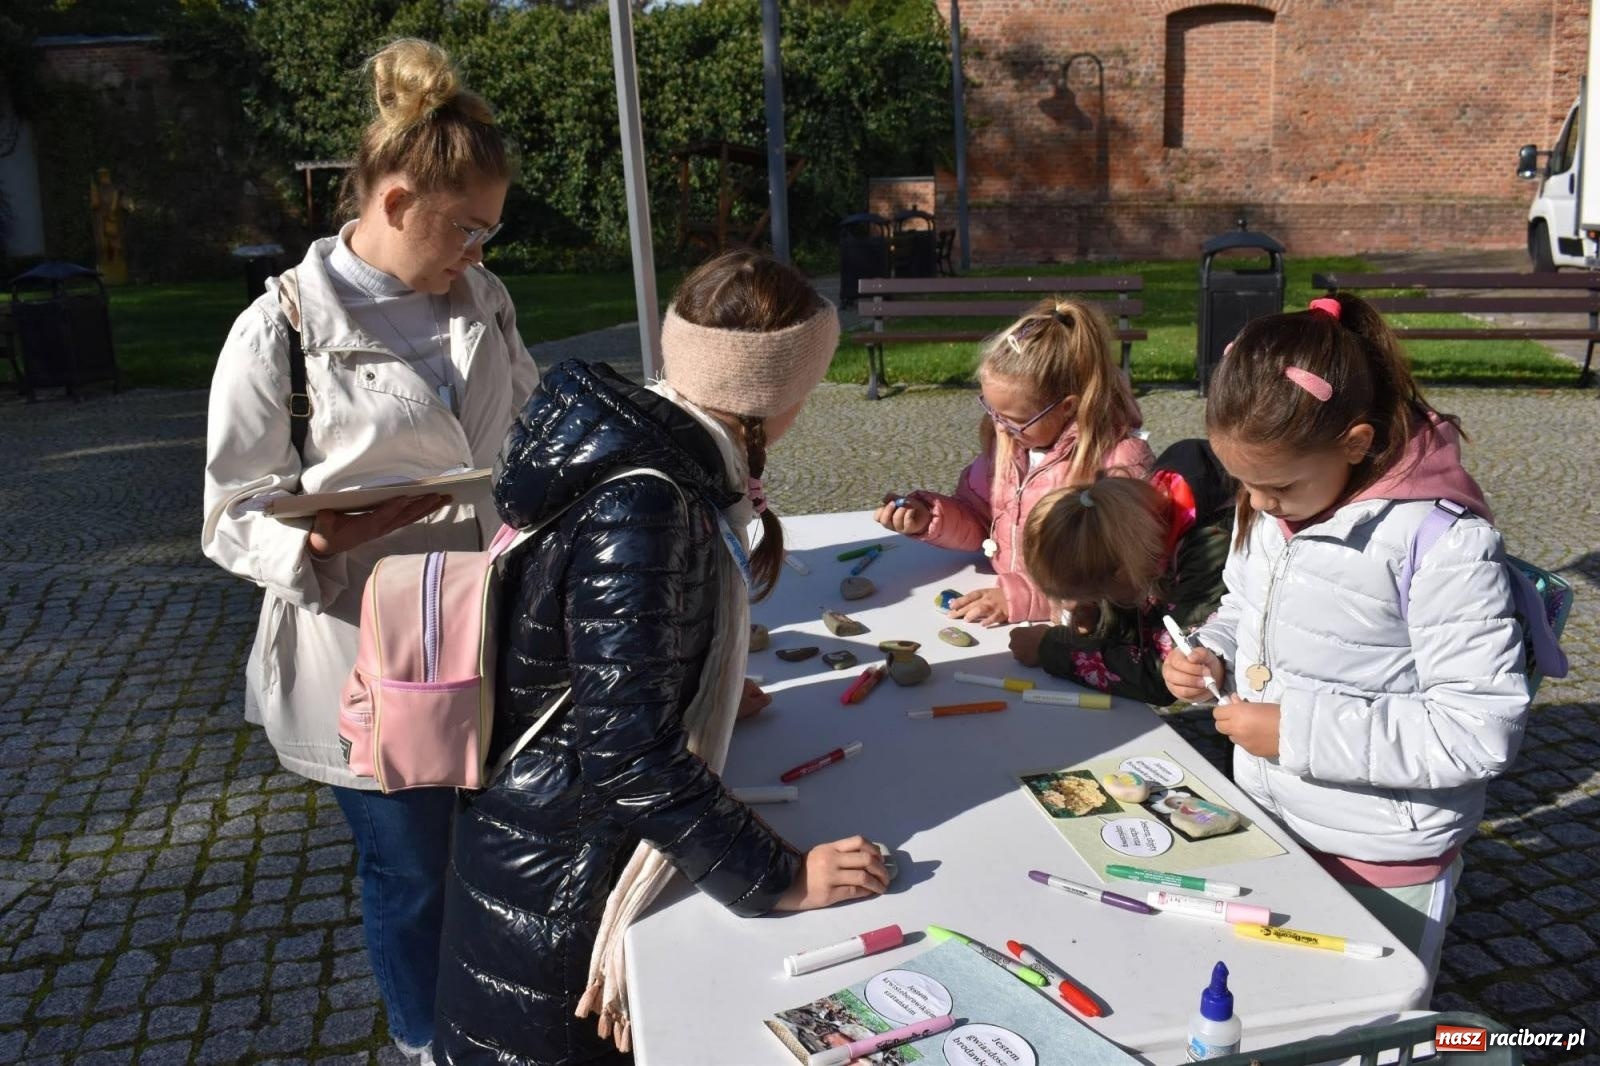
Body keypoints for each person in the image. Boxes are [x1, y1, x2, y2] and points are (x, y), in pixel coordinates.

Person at [435, 251, 891, 1065]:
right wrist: (781, 877)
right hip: (561, 883)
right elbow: (630, 756)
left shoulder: (652, 453)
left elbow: (611, 676)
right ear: (774, 390)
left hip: (548, 839)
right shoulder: (648, 502)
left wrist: (686, 685)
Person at [200, 39, 537, 1063]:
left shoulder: (483, 300)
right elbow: (224, 514)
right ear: (395, 202)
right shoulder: (279, 331)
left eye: (489, 230)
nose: (477, 250)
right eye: (465, 228)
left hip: (487, 628)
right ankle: (423, 1038)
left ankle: (498, 1015)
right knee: (413, 870)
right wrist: (314, 537)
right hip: (362, 652)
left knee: (492, 851)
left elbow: (518, 431)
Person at [1161, 296, 1530, 995]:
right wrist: (1209, 649)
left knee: (1363, 1009)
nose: (1259, 504)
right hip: (1276, 818)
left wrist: (1293, 731)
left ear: (1355, 444)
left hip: (1380, 851)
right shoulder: (1283, 505)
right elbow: (1246, 606)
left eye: (1275, 486)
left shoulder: (1440, 542)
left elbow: (1476, 731)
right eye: (1242, 482)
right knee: (1279, 996)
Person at [875, 299, 1154, 626]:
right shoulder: (1008, 444)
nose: (998, 426)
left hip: (1063, 632)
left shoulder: (1118, 462)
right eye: (991, 410)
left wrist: (1022, 597)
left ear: (1067, 407)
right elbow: (981, 518)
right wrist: (929, 517)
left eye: (1013, 419)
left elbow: (1121, 576)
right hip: (1003, 607)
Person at [1008, 439, 1235, 703]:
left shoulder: (1210, 549)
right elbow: (1140, 619)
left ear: (1121, 573)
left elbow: (1168, 673)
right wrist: (1099, 617)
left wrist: (1052, 648)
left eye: (1096, 595)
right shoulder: (1132, 521)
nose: (1075, 607)